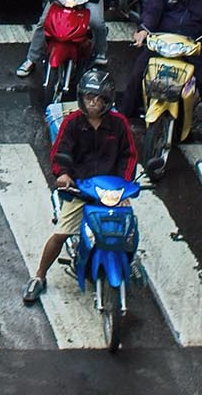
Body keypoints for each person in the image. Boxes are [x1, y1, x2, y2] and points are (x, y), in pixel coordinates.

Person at [23, 68, 138, 305]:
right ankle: (39, 275)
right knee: (62, 233)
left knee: (130, 231)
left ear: (107, 100)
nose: (93, 103)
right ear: (82, 98)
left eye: (98, 98)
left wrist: (125, 186)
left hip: (112, 192)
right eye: (89, 98)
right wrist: (64, 175)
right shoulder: (71, 123)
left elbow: (129, 156)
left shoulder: (119, 124)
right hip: (81, 191)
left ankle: (129, 261)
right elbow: (60, 153)